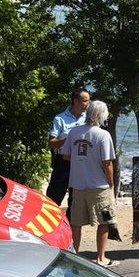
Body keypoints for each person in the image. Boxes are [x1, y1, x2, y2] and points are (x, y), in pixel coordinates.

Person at [61, 100, 118, 266]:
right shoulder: (103, 135)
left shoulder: (74, 132)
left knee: (76, 223)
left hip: (78, 185)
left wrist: (82, 161)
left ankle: (75, 256)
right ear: (102, 115)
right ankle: (101, 257)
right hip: (99, 187)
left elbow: (66, 155)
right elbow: (107, 163)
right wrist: (111, 183)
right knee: (105, 221)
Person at [46, 88, 90, 220]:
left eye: (89, 100)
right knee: (54, 197)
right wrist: (69, 139)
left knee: (75, 200)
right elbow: (51, 143)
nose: (88, 103)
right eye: (84, 100)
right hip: (63, 162)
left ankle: (71, 230)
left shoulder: (88, 118)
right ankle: (48, 223)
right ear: (75, 101)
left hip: (81, 162)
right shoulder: (60, 119)